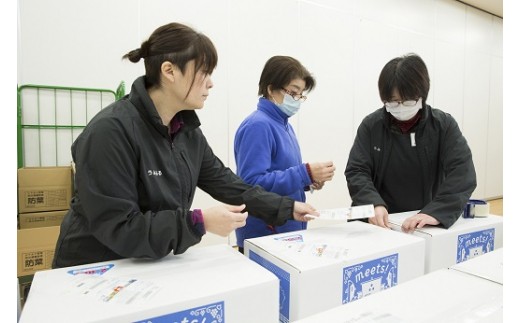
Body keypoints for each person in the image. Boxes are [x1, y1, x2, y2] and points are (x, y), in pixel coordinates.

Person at [52, 22, 319, 269]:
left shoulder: (186, 132)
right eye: (204, 72)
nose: (211, 83)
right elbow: (121, 228)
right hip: (94, 269)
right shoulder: (110, 132)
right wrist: (198, 221)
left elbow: (228, 183)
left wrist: (285, 208)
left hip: (147, 265)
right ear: (169, 71)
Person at [345, 53, 476, 233]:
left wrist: (436, 212)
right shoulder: (371, 125)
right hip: (376, 220)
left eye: (407, 101)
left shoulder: (443, 126)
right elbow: (357, 170)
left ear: (422, 96)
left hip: (421, 220)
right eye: (392, 102)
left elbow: (462, 172)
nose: (400, 108)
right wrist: (372, 203)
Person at [233, 56, 335, 253]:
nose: (297, 100)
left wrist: (308, 181)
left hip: (286, 229)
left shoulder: (283, 124)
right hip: (266, 232)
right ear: (271, 89)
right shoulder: (259, 125)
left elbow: (280, 171)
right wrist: (305, 173)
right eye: (293, 93)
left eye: (300, 95)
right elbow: (251, 184)